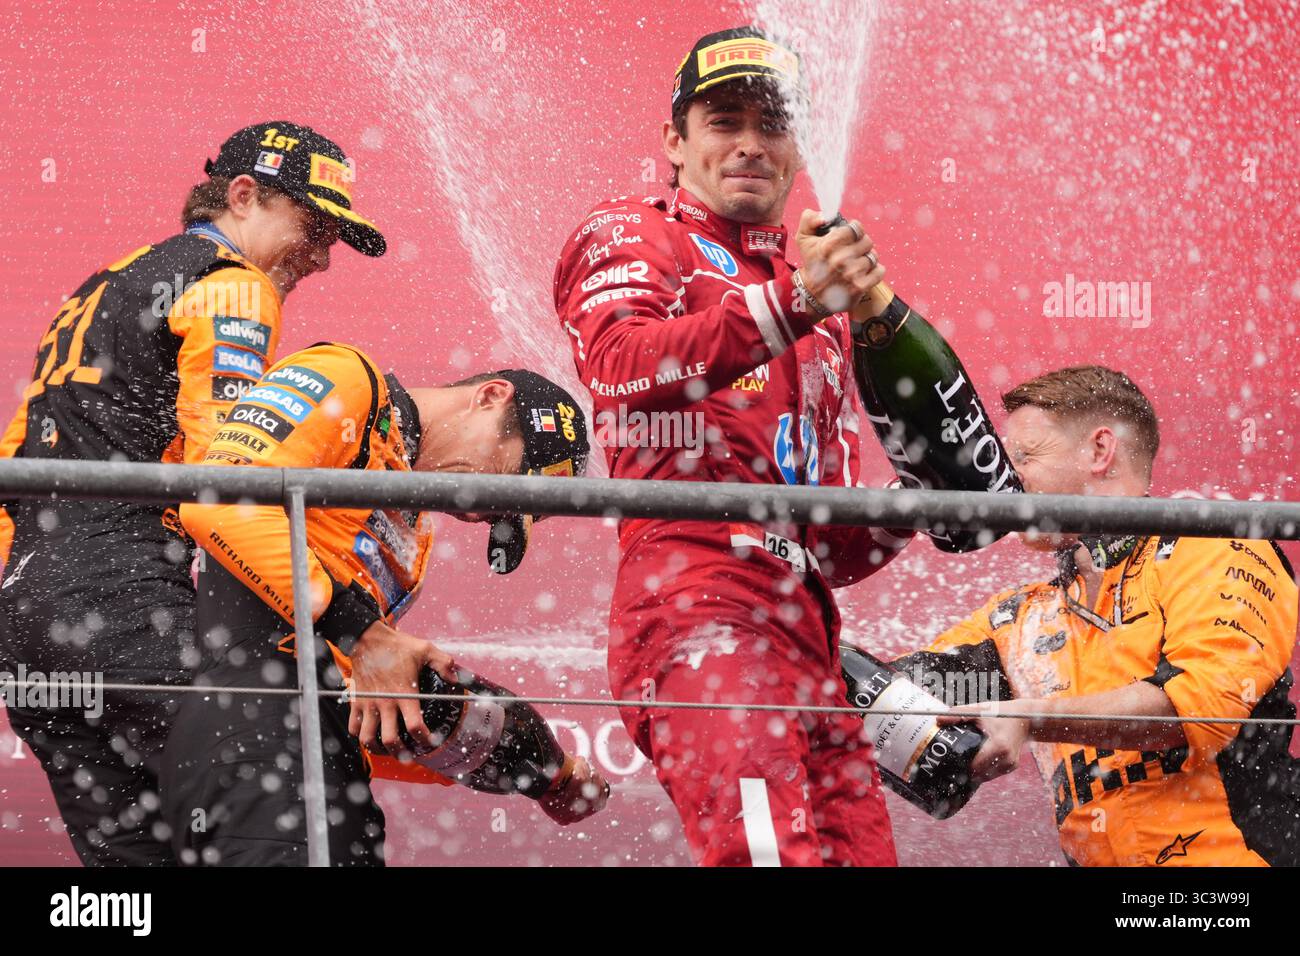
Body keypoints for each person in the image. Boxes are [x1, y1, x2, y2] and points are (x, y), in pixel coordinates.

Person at [553, 25, 951, 866]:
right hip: (695, 601)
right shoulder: (635, 229)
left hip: (809, 628)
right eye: (723, 120)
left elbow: (829, 547)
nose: (749, 144)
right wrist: (800, 298)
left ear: (799, 145)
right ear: (675, 141)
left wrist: (922, 496)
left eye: (771, 126)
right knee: (763, 858)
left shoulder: (823, 310)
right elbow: (617, 364)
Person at [0, 121, 385, 865]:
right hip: (128, 608)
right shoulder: (231, 283)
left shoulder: (104, 283)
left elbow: (14, 461)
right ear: (243, 196)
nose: (322, 259)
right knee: (278, 823)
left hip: (27, 629)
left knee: (131, 885)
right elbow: (228, 472)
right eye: (313, 227)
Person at [164, 342, 607, 865]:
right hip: (253, 733)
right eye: (507, 487)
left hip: (322, 759)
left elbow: (371, 697)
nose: (484, 516)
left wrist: (534, 767)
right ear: (490, 396)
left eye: (503, 519)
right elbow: (219, 500)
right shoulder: (347, 378)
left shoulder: (415, 539)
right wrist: (367, 635)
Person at [893, 366, 1299, 866]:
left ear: (1099, 452)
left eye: (1023, 457)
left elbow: (1196, 711)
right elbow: (897, 690)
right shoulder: (1019, 617)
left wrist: (1028, 717)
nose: (1005, 480)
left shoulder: (1218, 547)